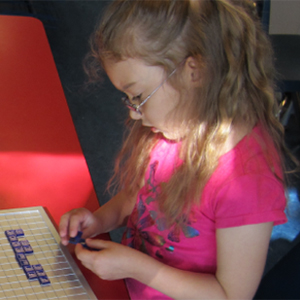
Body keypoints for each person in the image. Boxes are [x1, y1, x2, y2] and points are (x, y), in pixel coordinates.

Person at [59, 0, 289, 299]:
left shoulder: (246, 181)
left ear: (194, 71)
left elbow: (230, 294)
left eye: (139, 96)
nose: (133, 114)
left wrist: (140, 268)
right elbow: (138, 196)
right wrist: (99, 220)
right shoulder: (175, 127)